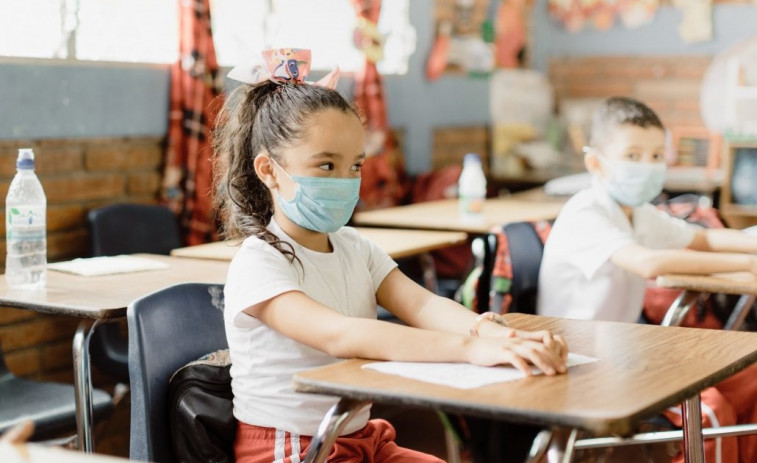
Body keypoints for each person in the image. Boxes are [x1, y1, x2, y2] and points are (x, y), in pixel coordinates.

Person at [213, 48, 568, 463]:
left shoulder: (354, 247)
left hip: (357, 434)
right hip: (293, 448)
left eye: (356, 166)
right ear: (269, 171)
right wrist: (469, 350)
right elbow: (341, 335)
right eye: (326, 166)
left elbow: (420, 303)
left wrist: (496, 335)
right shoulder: (260, 262)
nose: (346, 181)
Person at [537, 96, 757, 463]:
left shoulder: (638, 212)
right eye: (633, 156)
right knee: (709, 411)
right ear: (595, 162)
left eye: (656, 157)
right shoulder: (585, 212)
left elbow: (701, 238)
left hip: (625, 347)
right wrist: (749, 267)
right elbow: (647, 262)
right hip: (579, 360)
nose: (648, 166)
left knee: (750, 380)